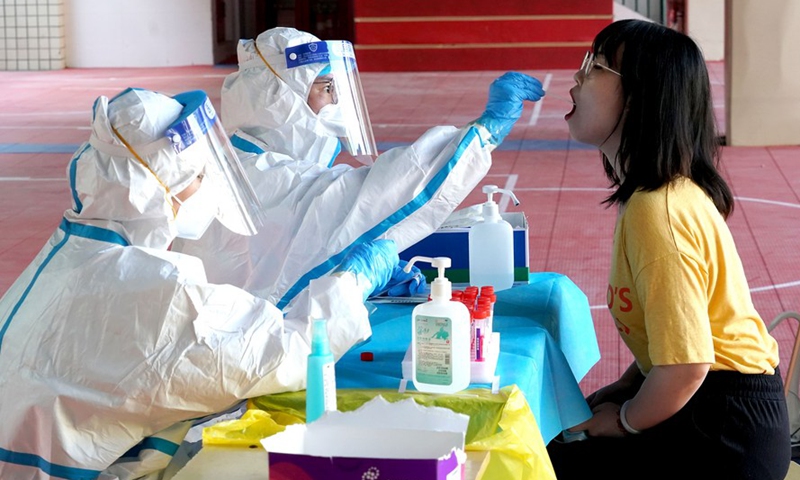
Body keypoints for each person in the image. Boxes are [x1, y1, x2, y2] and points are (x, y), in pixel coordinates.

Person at [0, 87, 401, 479]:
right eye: (198, 175)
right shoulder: (151, 289)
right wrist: (354, 279)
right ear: (155, 189)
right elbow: (286, 354)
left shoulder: (73, 251)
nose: (208, 185)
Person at [546, 19, 791, 479]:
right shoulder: (658, 196)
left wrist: (622, 420)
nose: (577, 78)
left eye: (593, 66)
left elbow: (686, 366)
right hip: (715, 405)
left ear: (641, 98)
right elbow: (670, 351)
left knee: (546, 462)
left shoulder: (656, 213)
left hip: (726, 432)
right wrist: (623, 388)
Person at [173, 27, 545, 309]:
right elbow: (375, 194)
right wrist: (482, 133)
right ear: (279, 99)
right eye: (325, 88)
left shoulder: (255, 157)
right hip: (252, 341)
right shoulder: (259, 174)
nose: (335, 101)